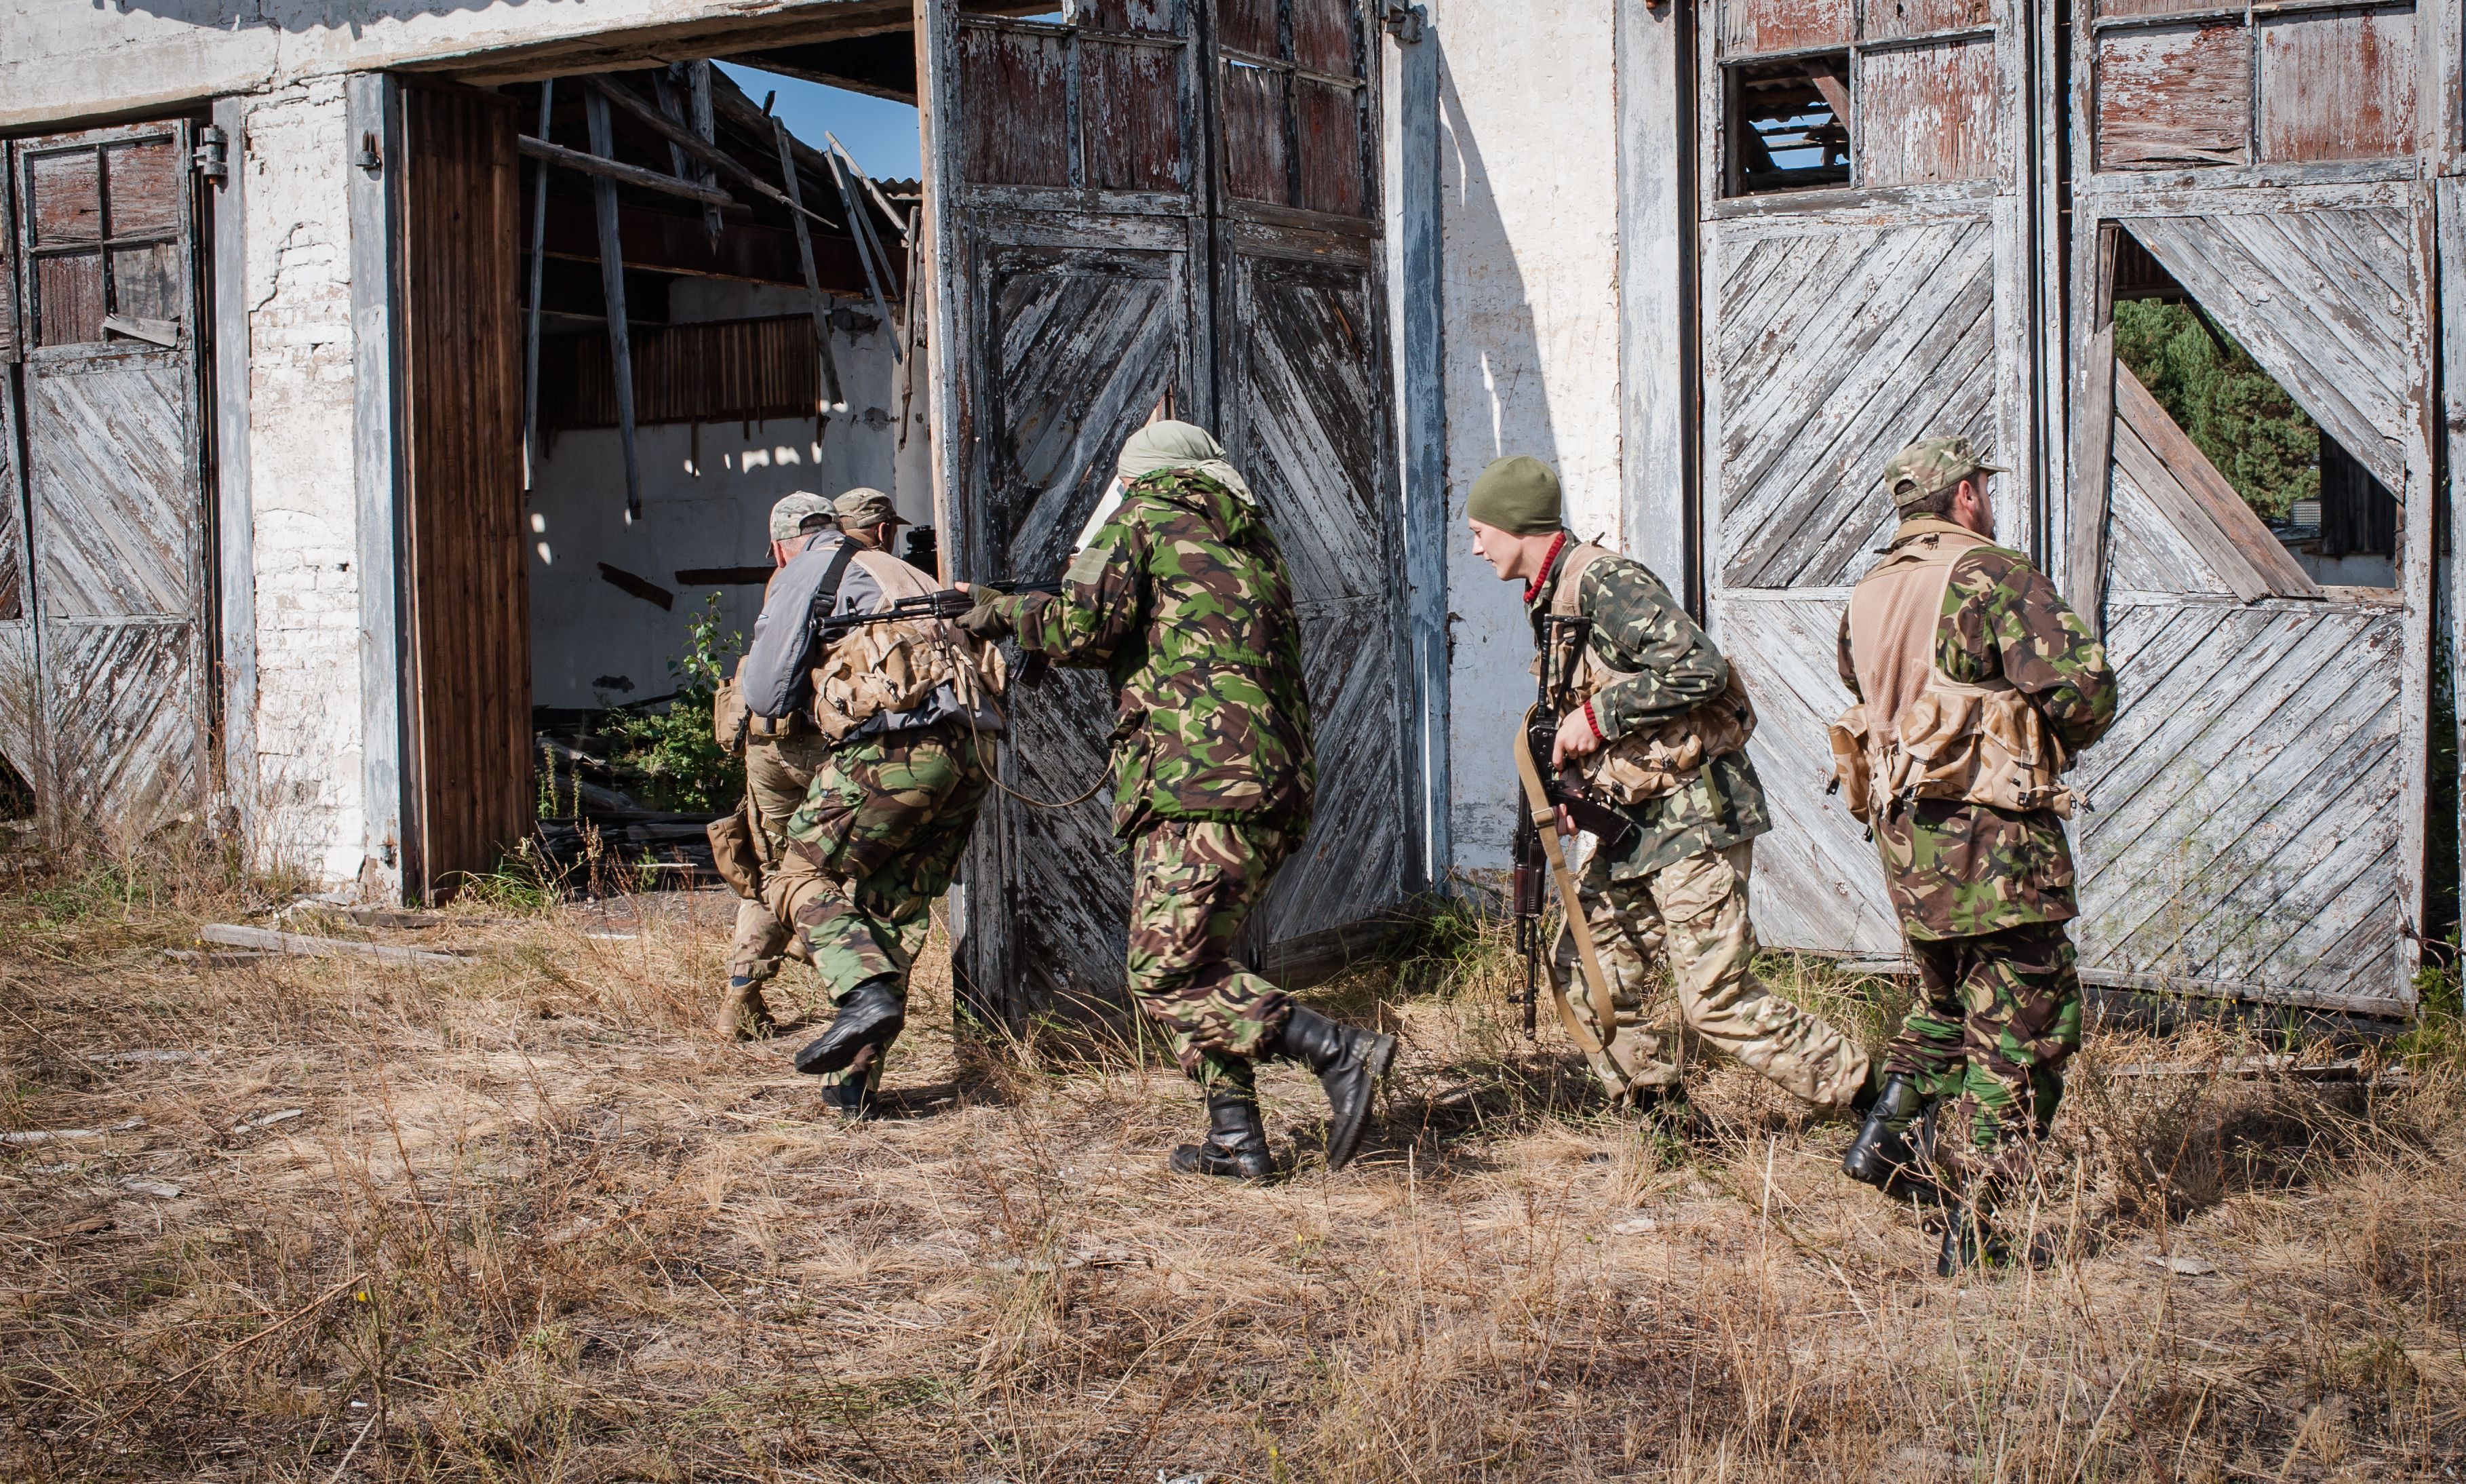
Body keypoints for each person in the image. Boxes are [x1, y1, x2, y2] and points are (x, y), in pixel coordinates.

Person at [960, 421, 1396, 1178]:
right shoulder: (1251, 538)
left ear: (1139, 478)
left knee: (1163, 971)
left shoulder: (1140, 520)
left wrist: (997, 610)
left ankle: (1336, 1050)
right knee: (1203, 962)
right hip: (1273, 786)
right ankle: (1236, 1139)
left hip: (1199, 786)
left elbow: (1080, 625)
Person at [1465, 454, 1871, 1119]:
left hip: (1692, 816)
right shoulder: (1552, 598)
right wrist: (1574, 793)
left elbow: (1699, 668)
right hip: (1630, 822)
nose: (1476, 546)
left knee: (1716, 1000)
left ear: (1516, 525)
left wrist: (1596, 719)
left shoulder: (1603, 580)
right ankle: (1666, 1125)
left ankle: (1877, 1101)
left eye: (1482, 529)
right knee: (1589, 979)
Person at [1830, 435, 2117, 1274]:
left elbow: (1859, 685)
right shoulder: (1992, 572)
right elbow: (2086, 691)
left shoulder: (1869, 591)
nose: (1986, 500)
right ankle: (1983, 1225)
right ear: (1963, 495)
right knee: (2028, 1019)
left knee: (1950, 999)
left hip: (1905, 836)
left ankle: (1886, 1138)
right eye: (1981, 486)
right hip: (1993, 835)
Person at [738, 485, 1004, 1118]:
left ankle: (860, 992)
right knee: (892, 906)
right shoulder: (900, 568)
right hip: (975, 751)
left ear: (781, 545)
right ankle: (854, 1085)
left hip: (901, 747)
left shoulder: (809, 567)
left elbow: (767, 693)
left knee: (795, 871)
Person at [713, 491, 838, 1040]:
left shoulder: (780, 582)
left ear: (778, 545)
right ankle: (856, 985)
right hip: (817, 743)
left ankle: (741, 997)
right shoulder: (842, 574)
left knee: (771, 875)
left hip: (763, 744)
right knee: (829, 869)